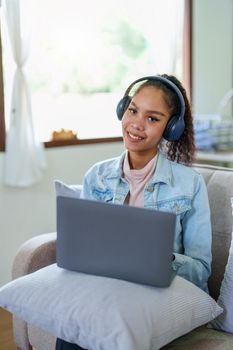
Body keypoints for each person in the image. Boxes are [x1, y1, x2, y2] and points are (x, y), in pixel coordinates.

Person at [55, 74, 212, 350]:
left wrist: (161, 258)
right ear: (122, 109)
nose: (137, 124)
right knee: (73, 325)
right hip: (108, 291)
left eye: (153, 118)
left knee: (109, 323)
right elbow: (84, 250)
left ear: (171, 128)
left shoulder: (190, 185)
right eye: (133, 110)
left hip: (162, 295)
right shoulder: (96, 177)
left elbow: (201, 271)